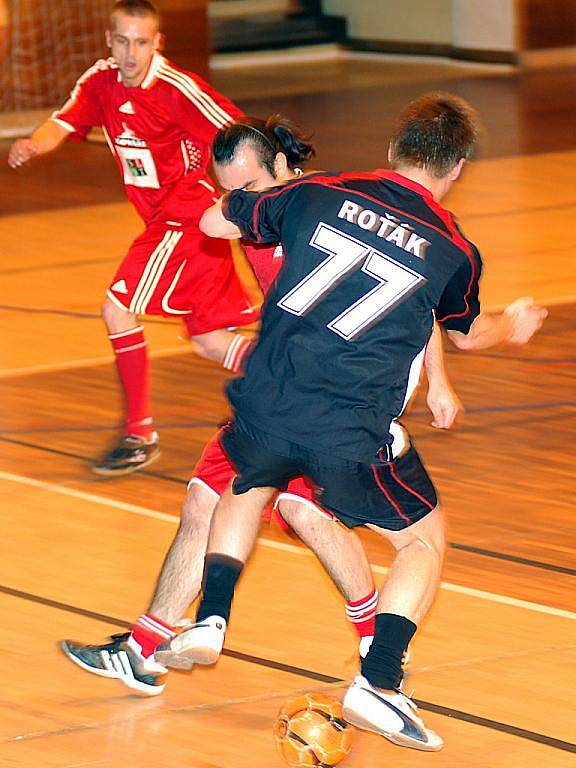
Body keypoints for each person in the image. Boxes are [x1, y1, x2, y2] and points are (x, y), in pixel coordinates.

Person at [157, 94, 547, 751]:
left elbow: (219, 221)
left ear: (393, 151)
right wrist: (513, 325)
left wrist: (238, 210)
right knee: (423, 540)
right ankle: (379, 679)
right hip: (349, 425)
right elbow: (468, 334)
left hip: (270, 398)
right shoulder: (452, 249)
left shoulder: (321, 191)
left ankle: (212, 614)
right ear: (456, 169)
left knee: (248, 479)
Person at [60, 115, 461, 696]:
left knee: (304, 513)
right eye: (230, 192)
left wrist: (440, 381)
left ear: (280, 166)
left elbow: (414, 299)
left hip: (335, 403)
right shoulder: (249, 220)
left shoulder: (323, 204)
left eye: (248, 186)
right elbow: (213, 331)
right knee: (202, 501)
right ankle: (143, 650)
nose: (240, 200)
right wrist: (244, 349)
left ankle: (376, 639)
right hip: (280, 396)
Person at [7, 0, 258, 475]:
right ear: (109, 41)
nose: (130, 52)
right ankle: (295, 385)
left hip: (185, 216)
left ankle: (139, 434)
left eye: (141, 42)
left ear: (156, 43)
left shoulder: (176, 89)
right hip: (174, 225)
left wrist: (261, 192)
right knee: (209, 339)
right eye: (122, 41)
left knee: (116, 307)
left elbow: (240, 133)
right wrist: (32, 145)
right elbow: (62, 121)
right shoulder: (100, 81)